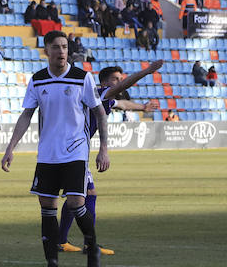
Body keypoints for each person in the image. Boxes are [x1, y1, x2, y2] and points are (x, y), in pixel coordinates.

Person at [1, 30, 108, 267]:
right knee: (47, 208)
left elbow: (100, 113)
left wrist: (104, 148)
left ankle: (91, 246)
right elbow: (27, 114)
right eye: (56, 47)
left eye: (64, 46)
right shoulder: (38, 80)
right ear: (46, 50)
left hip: (75, 151)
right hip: (48, 154)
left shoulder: (82, 78)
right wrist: (10, 147)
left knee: (75, 202)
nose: (61, 51)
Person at [57, 61, 162, 255]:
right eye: (115, 79)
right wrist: (147, 72)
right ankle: (84, 244)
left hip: (72, 149)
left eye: (120, 79)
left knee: (81, 196)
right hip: (72, 150)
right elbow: (123, 89)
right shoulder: (99, 92)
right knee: (83, 196)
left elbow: (122, 103)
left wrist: (142, 107)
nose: (119, 82)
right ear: (104, 81)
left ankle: (63, 241)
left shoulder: (103, 98)